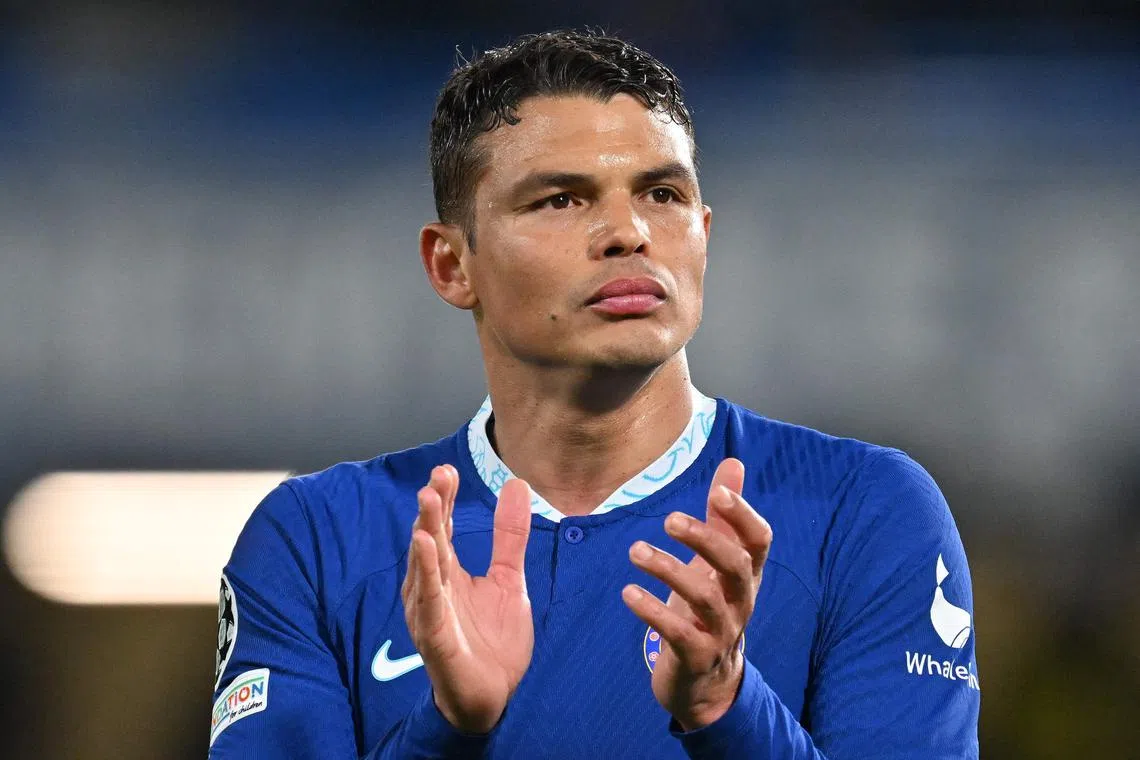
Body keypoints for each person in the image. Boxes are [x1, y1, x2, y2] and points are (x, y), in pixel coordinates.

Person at [208, 30, 980, 759]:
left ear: (704, 233)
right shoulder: (315, 543)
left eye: (663, 195)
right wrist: (447, 729)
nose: (628, 232)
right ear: (451, 265)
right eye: (562, 200)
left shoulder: (864, 512)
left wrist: (725, 705)